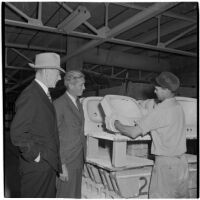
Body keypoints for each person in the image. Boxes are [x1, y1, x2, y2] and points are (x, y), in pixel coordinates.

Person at [114, 71, 189, 198]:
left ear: (166, 90)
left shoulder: (161, 111)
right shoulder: (177, 106)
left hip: (166, 165)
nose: (155, 91)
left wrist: (116, 123)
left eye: (157, 89)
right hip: (181, 163)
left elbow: (133, 133)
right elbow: (164, 124)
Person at [10, 52, 65, 197]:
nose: (60, 78)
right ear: (47, 71)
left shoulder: (42, 94)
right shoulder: (31, 95)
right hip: (37, 168)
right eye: (58, 73)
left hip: (47, 165)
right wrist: (36, 155)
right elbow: (18, 133)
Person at [53, 70, 86, 198]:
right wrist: (61, 166)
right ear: (71, 85)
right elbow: (55, 137)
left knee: (75, 194)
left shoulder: (78, 103)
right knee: (65, 195)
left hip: (78, 158)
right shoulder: (59, 104)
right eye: (81, 85)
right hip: (66, 160)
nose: (84, 87)